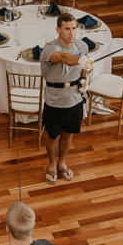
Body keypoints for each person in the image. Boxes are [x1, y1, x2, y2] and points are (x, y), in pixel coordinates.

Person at [39, 13, 90, 185]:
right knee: (53, 135)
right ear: (58, 30)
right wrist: (81, 60)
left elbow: (85, 67)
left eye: (74, 28)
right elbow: (63, 58)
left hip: (75, 99)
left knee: (68, 134)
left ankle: (62, 163)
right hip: (54, 100)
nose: (71, 33)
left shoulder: (82, 45)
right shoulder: (50, 48)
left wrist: (83, 79)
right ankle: (52, 165)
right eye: (67, 29)